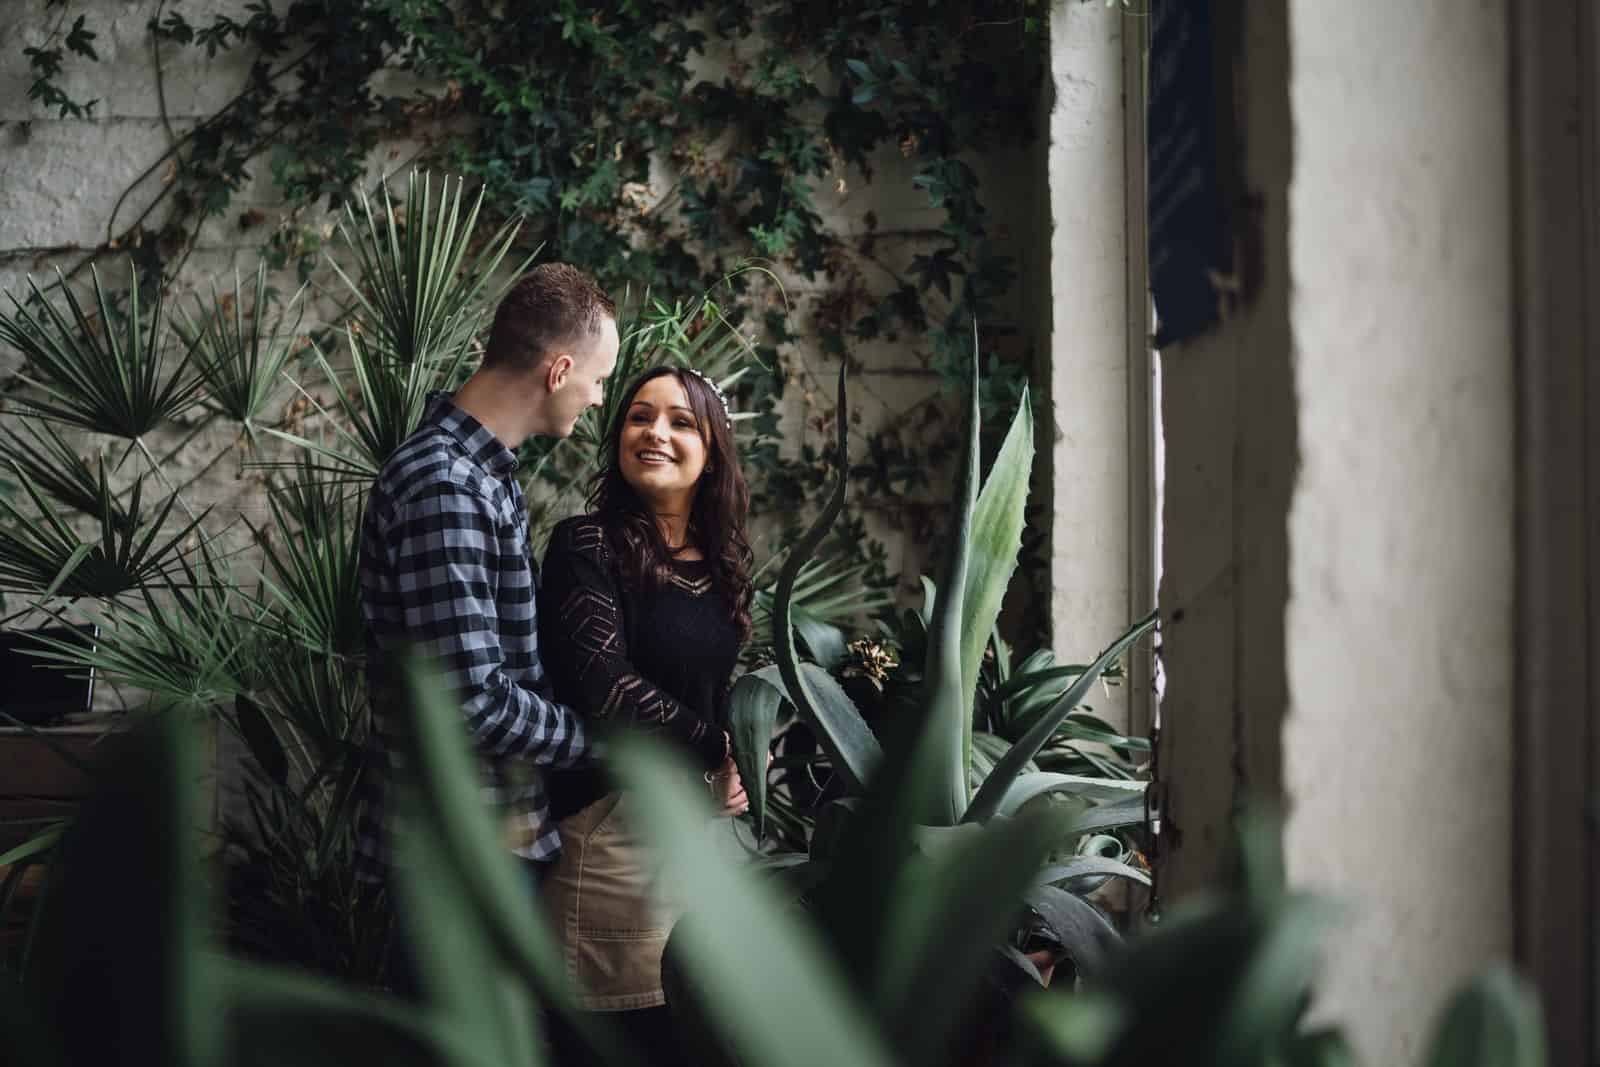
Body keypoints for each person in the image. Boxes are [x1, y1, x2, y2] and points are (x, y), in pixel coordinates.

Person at [353, 263, 621, 946]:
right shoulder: (447, 486)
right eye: (598, 380)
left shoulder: (481, 476)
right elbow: (473, 702)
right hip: (455, 855)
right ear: (559, 370)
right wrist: (604, 744)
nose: (597, 401)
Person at [536, 365, 755, 1065]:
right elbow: (605, 686)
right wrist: (718, 744)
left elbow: (711, 689)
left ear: (712, 450)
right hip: (615, 838)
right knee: (624, 1043)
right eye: (638, 416)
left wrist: (743, 759)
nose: (654, 431)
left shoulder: (720, 565)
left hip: (698, 840)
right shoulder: (585, 546)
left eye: (680, 421)